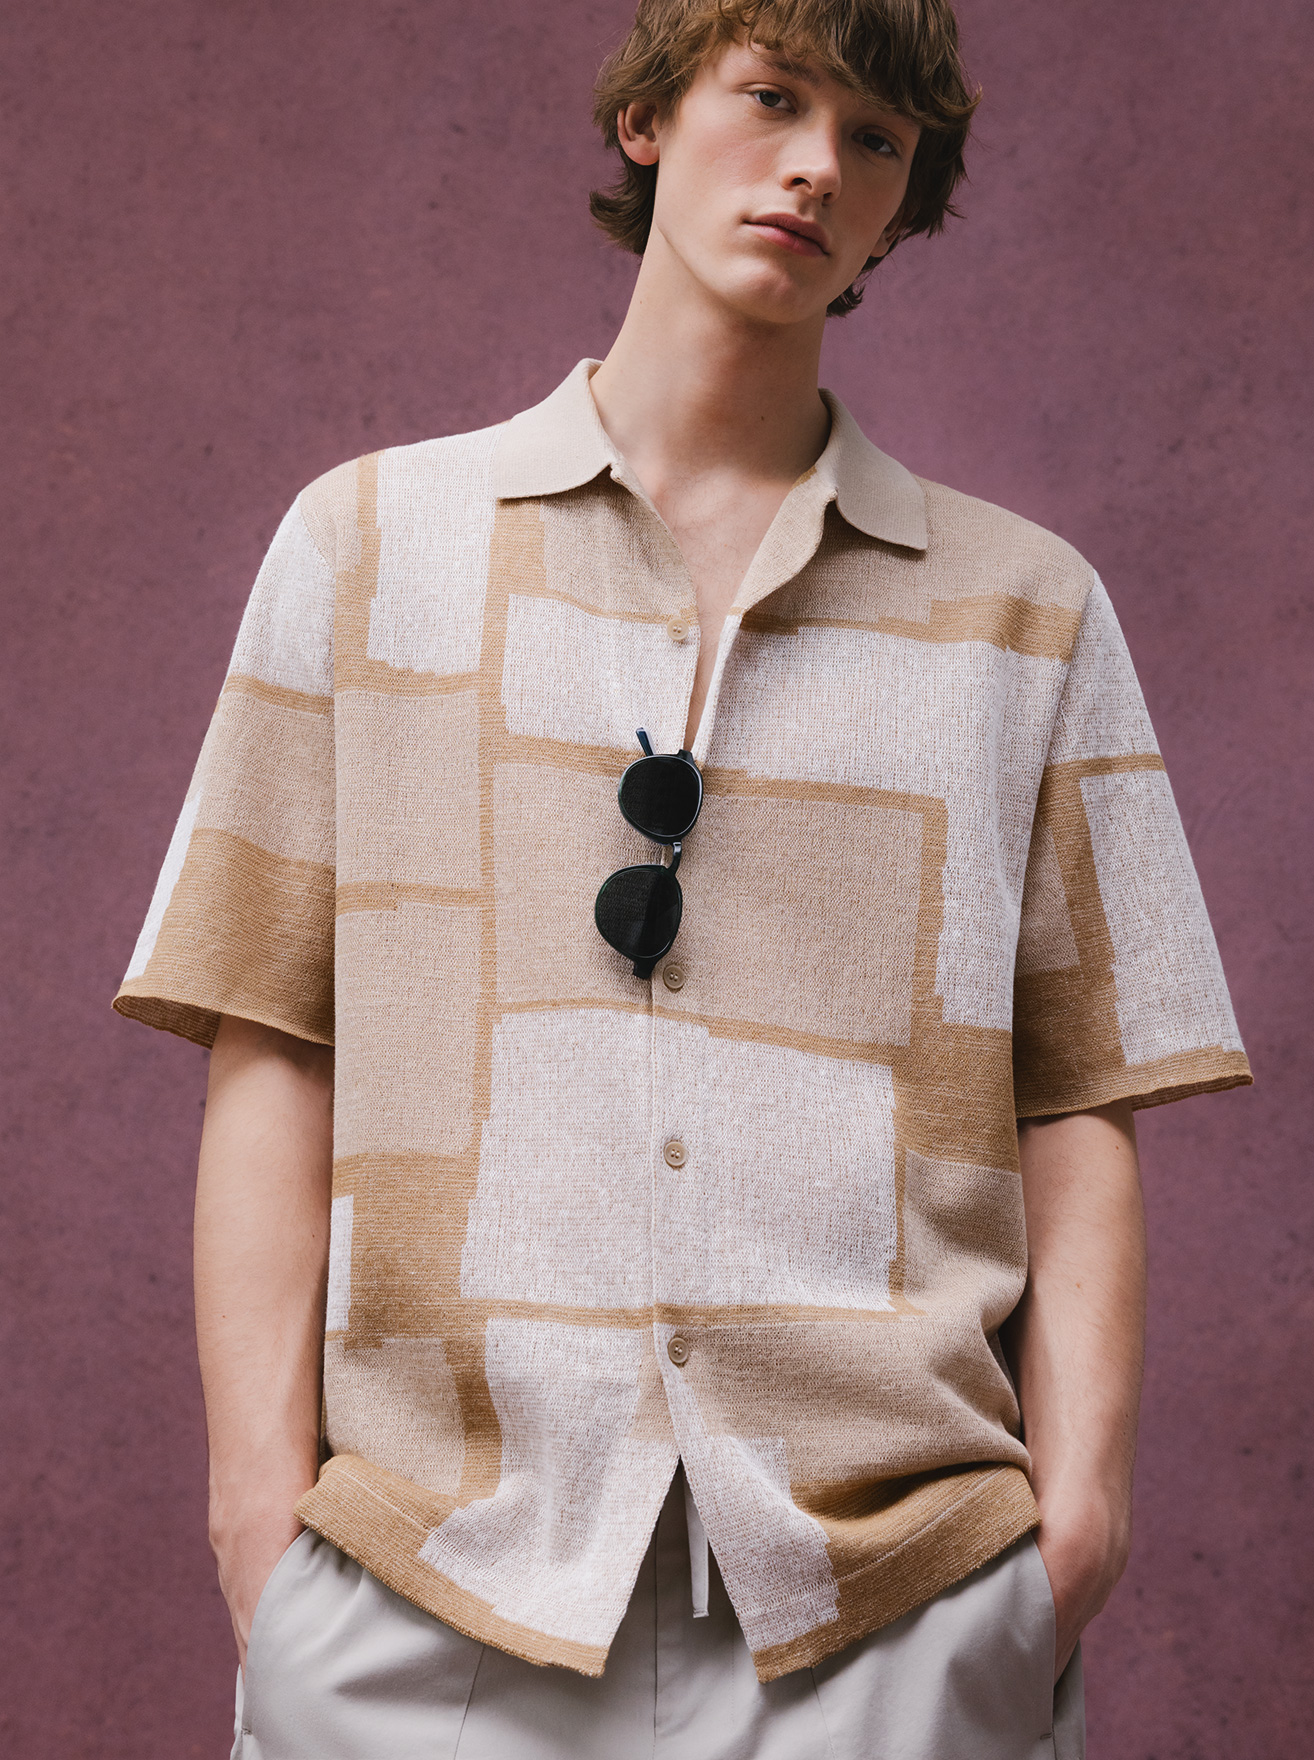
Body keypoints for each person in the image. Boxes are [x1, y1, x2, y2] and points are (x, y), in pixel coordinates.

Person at [114, 0, 1252, 1754]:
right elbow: (270, 1036)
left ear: (905, 201)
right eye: (771, 96)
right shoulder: (367, 548)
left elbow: (1081, 1093)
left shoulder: (1025, 612)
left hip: (890, 1610)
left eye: (875, 138)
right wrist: (257, 1532)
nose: (815, 168)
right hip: (425, 1594)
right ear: (648, 115)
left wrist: (1074, 1526)